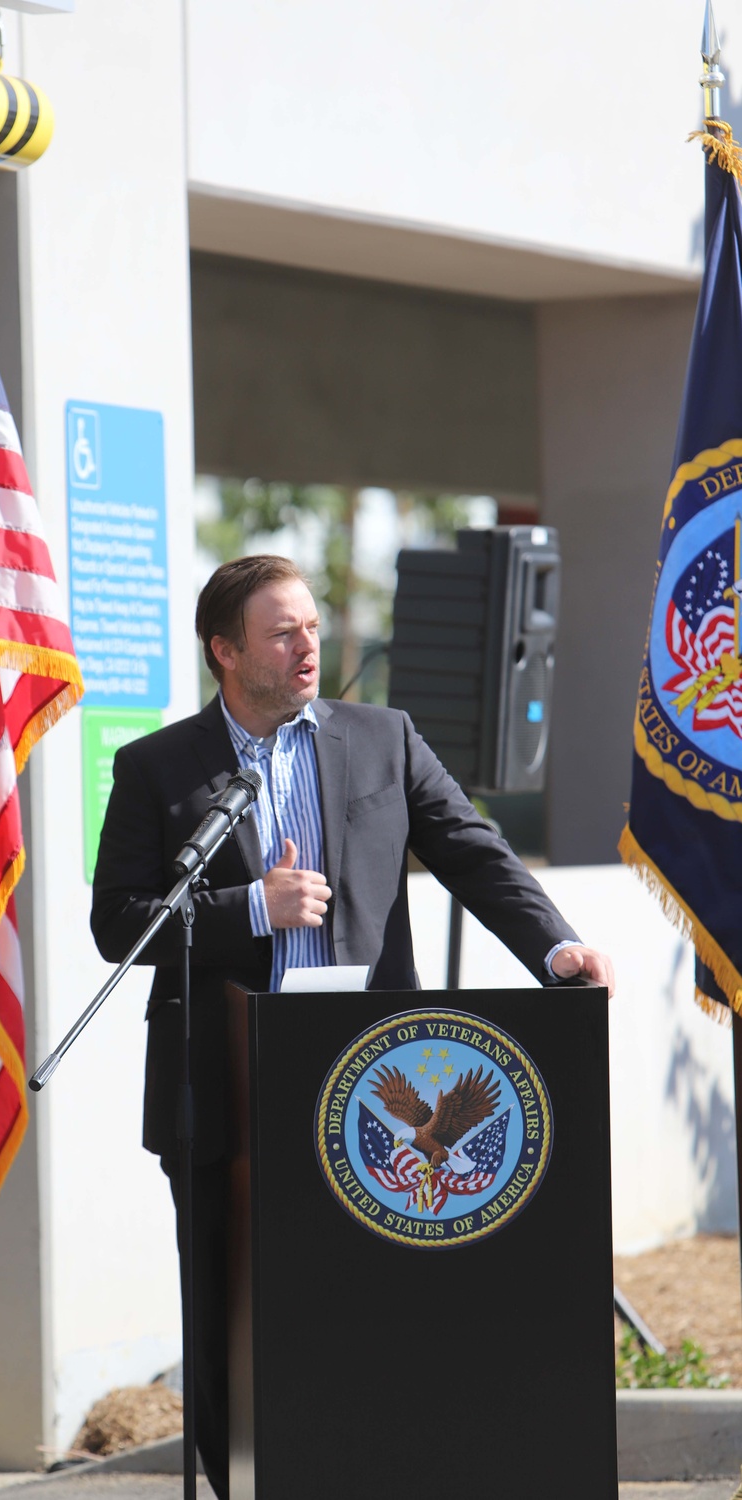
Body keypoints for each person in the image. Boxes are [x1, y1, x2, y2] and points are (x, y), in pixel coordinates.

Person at [90, 554, 614, 1498]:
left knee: (372, 1303)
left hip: (370, 1081)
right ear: (224, 651)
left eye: (312, 628)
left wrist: (555, 949)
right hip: (224, 1085)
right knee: (228, 1314)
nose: (307, 647)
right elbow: (118, 924)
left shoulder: (384, 739)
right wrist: (250, 906)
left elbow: (473, 851)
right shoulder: (160, 767)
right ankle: (239, 1481)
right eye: (281, 631)